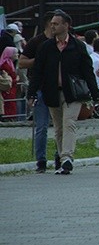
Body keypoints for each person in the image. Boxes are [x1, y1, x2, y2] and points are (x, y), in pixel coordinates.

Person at [27, 10, 99, 175]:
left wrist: (96, 95)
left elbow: (87, 71)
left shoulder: (77, 46)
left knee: (69, 122)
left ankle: (67, 157)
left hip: (73, 93)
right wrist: (31, 93)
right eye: (52, 23)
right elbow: (37, 72)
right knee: (59, 127)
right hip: (52, 92)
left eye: (56, 23)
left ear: (66, 25)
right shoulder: (46, 47)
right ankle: (62, 159)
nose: (52, 26)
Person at [19, 15, 55, 172]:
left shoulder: (62, 42)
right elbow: (21, 62)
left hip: (58, 88)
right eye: (54, 24)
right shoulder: (36, 42)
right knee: (42, 126)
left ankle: (60, 156)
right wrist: (38, 60)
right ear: (49, 25)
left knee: (61, 127)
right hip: (40, 88)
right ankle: (41, 160)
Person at [1, 46, 17, 120]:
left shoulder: (10, 63)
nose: (17, 55)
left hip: (12, 89)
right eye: (15, 53)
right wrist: (15, 79)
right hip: (8, 89)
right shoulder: (5, 65)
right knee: (8, 104)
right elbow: (6, 79)